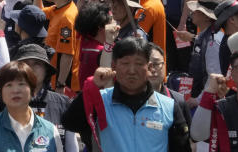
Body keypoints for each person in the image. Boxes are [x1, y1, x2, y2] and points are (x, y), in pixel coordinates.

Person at [61, 37, 191, 152]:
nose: (132, 71)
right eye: (125, 63)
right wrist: (92, 87)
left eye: (139, 64)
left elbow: (182, 147)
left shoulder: (169, 106)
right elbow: (70, 123)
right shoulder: (100, 100)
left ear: (150, 67)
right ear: (114, 66)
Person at [35, 0, 79, 92]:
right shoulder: (59, 8)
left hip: (59, 83)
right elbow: (37, 15)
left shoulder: (67, 17)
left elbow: (67, 54)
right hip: (51, 77)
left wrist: (60, 85)